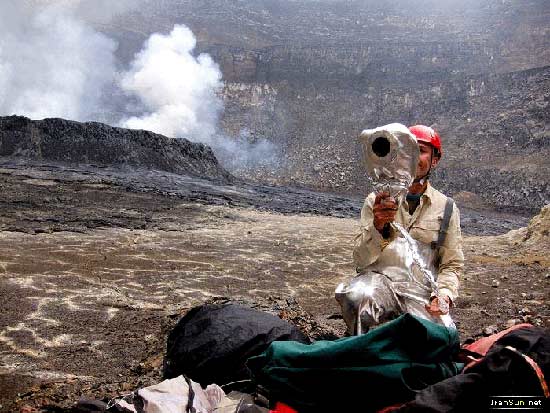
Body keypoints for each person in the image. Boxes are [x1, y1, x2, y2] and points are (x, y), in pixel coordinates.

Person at [352, 125, 464, 322]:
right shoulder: (375, 201)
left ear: (434, 160)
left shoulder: (446, 208)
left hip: (422, 297)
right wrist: (378, 226)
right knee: (359, 294)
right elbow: (361, 263)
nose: (411, 156)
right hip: (381, 290)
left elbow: (451, 264)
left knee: (440, 336)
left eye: (420, 150)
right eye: (407, 149)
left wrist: (444, 294)